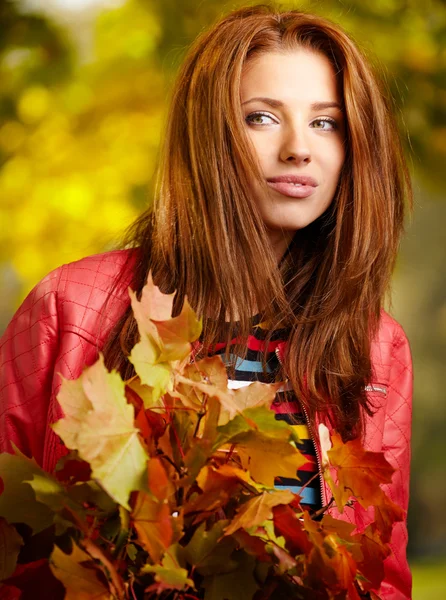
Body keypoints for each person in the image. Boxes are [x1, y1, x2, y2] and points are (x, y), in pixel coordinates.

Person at [0, 4, 413, 599]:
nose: (300, 148)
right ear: (208, 136)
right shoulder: (71, 309)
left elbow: (382, 581)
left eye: (327, 123)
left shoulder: (376, 346)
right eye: (262, 117)